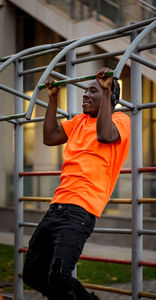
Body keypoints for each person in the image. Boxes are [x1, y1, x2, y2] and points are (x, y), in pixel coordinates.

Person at [23, 67, 130, 300]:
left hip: (80, 211)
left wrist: (108, 96)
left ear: (109, 96)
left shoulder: (120, 120)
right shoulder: (79, 121)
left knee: (59, 277)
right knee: (32, 274)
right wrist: (53, 99)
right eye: (85, 91)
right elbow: (49, 137)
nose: (85, 95)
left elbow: (104, 135)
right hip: (57, 206)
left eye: (93, 91)